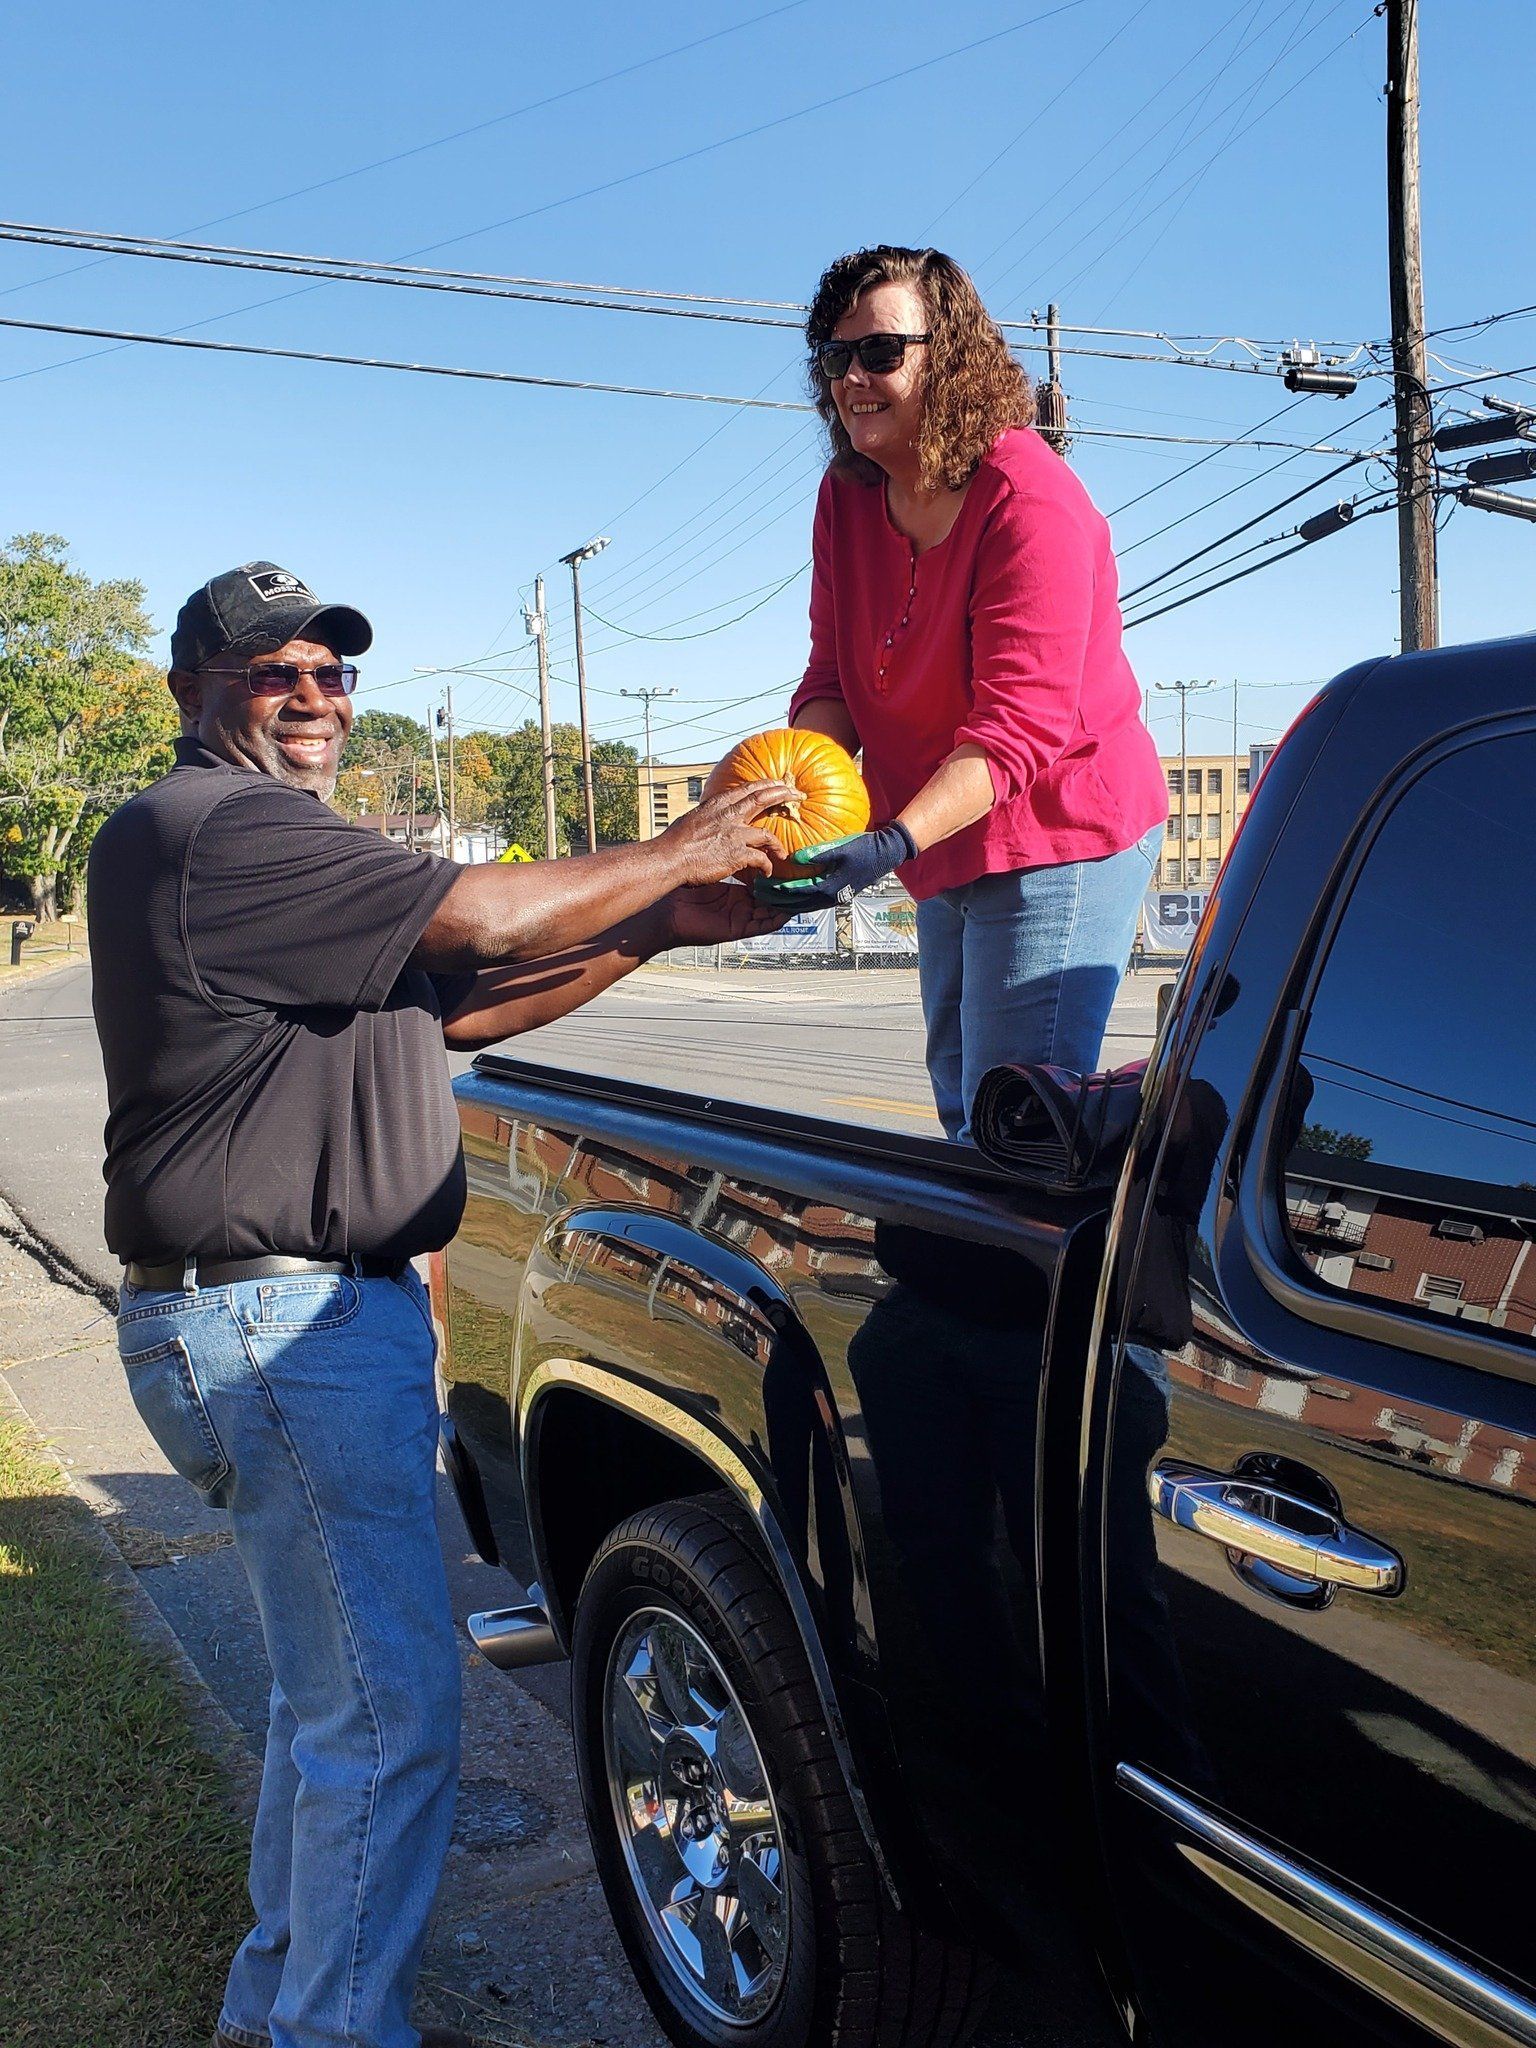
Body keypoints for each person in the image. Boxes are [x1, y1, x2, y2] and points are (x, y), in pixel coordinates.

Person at [86, 561, 792, 2048]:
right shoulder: (212, 827)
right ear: (189, 693)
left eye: (333, 672)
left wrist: (656, 926)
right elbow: (479, 913)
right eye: (272, 670)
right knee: (393, 1720)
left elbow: (457, 1002)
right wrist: (680, 847)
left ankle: (278, 2012)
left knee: (324, 1705)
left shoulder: (266, 858)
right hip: (284, 1331)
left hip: (275, 1328)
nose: (313, 695)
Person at [762, 245, 1168, 1140]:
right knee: (963, 1107)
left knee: (1014, 1119)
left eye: (880, 353)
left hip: (1060, 828)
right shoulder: (846, 498)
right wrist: (795, 805)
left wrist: (889, 840)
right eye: (834, 360)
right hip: (940, 833)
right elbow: (832, 680)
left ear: (948, 355)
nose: (852, 379)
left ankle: (1138, 1224)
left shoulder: (1031, 500)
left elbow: (1018, 731)